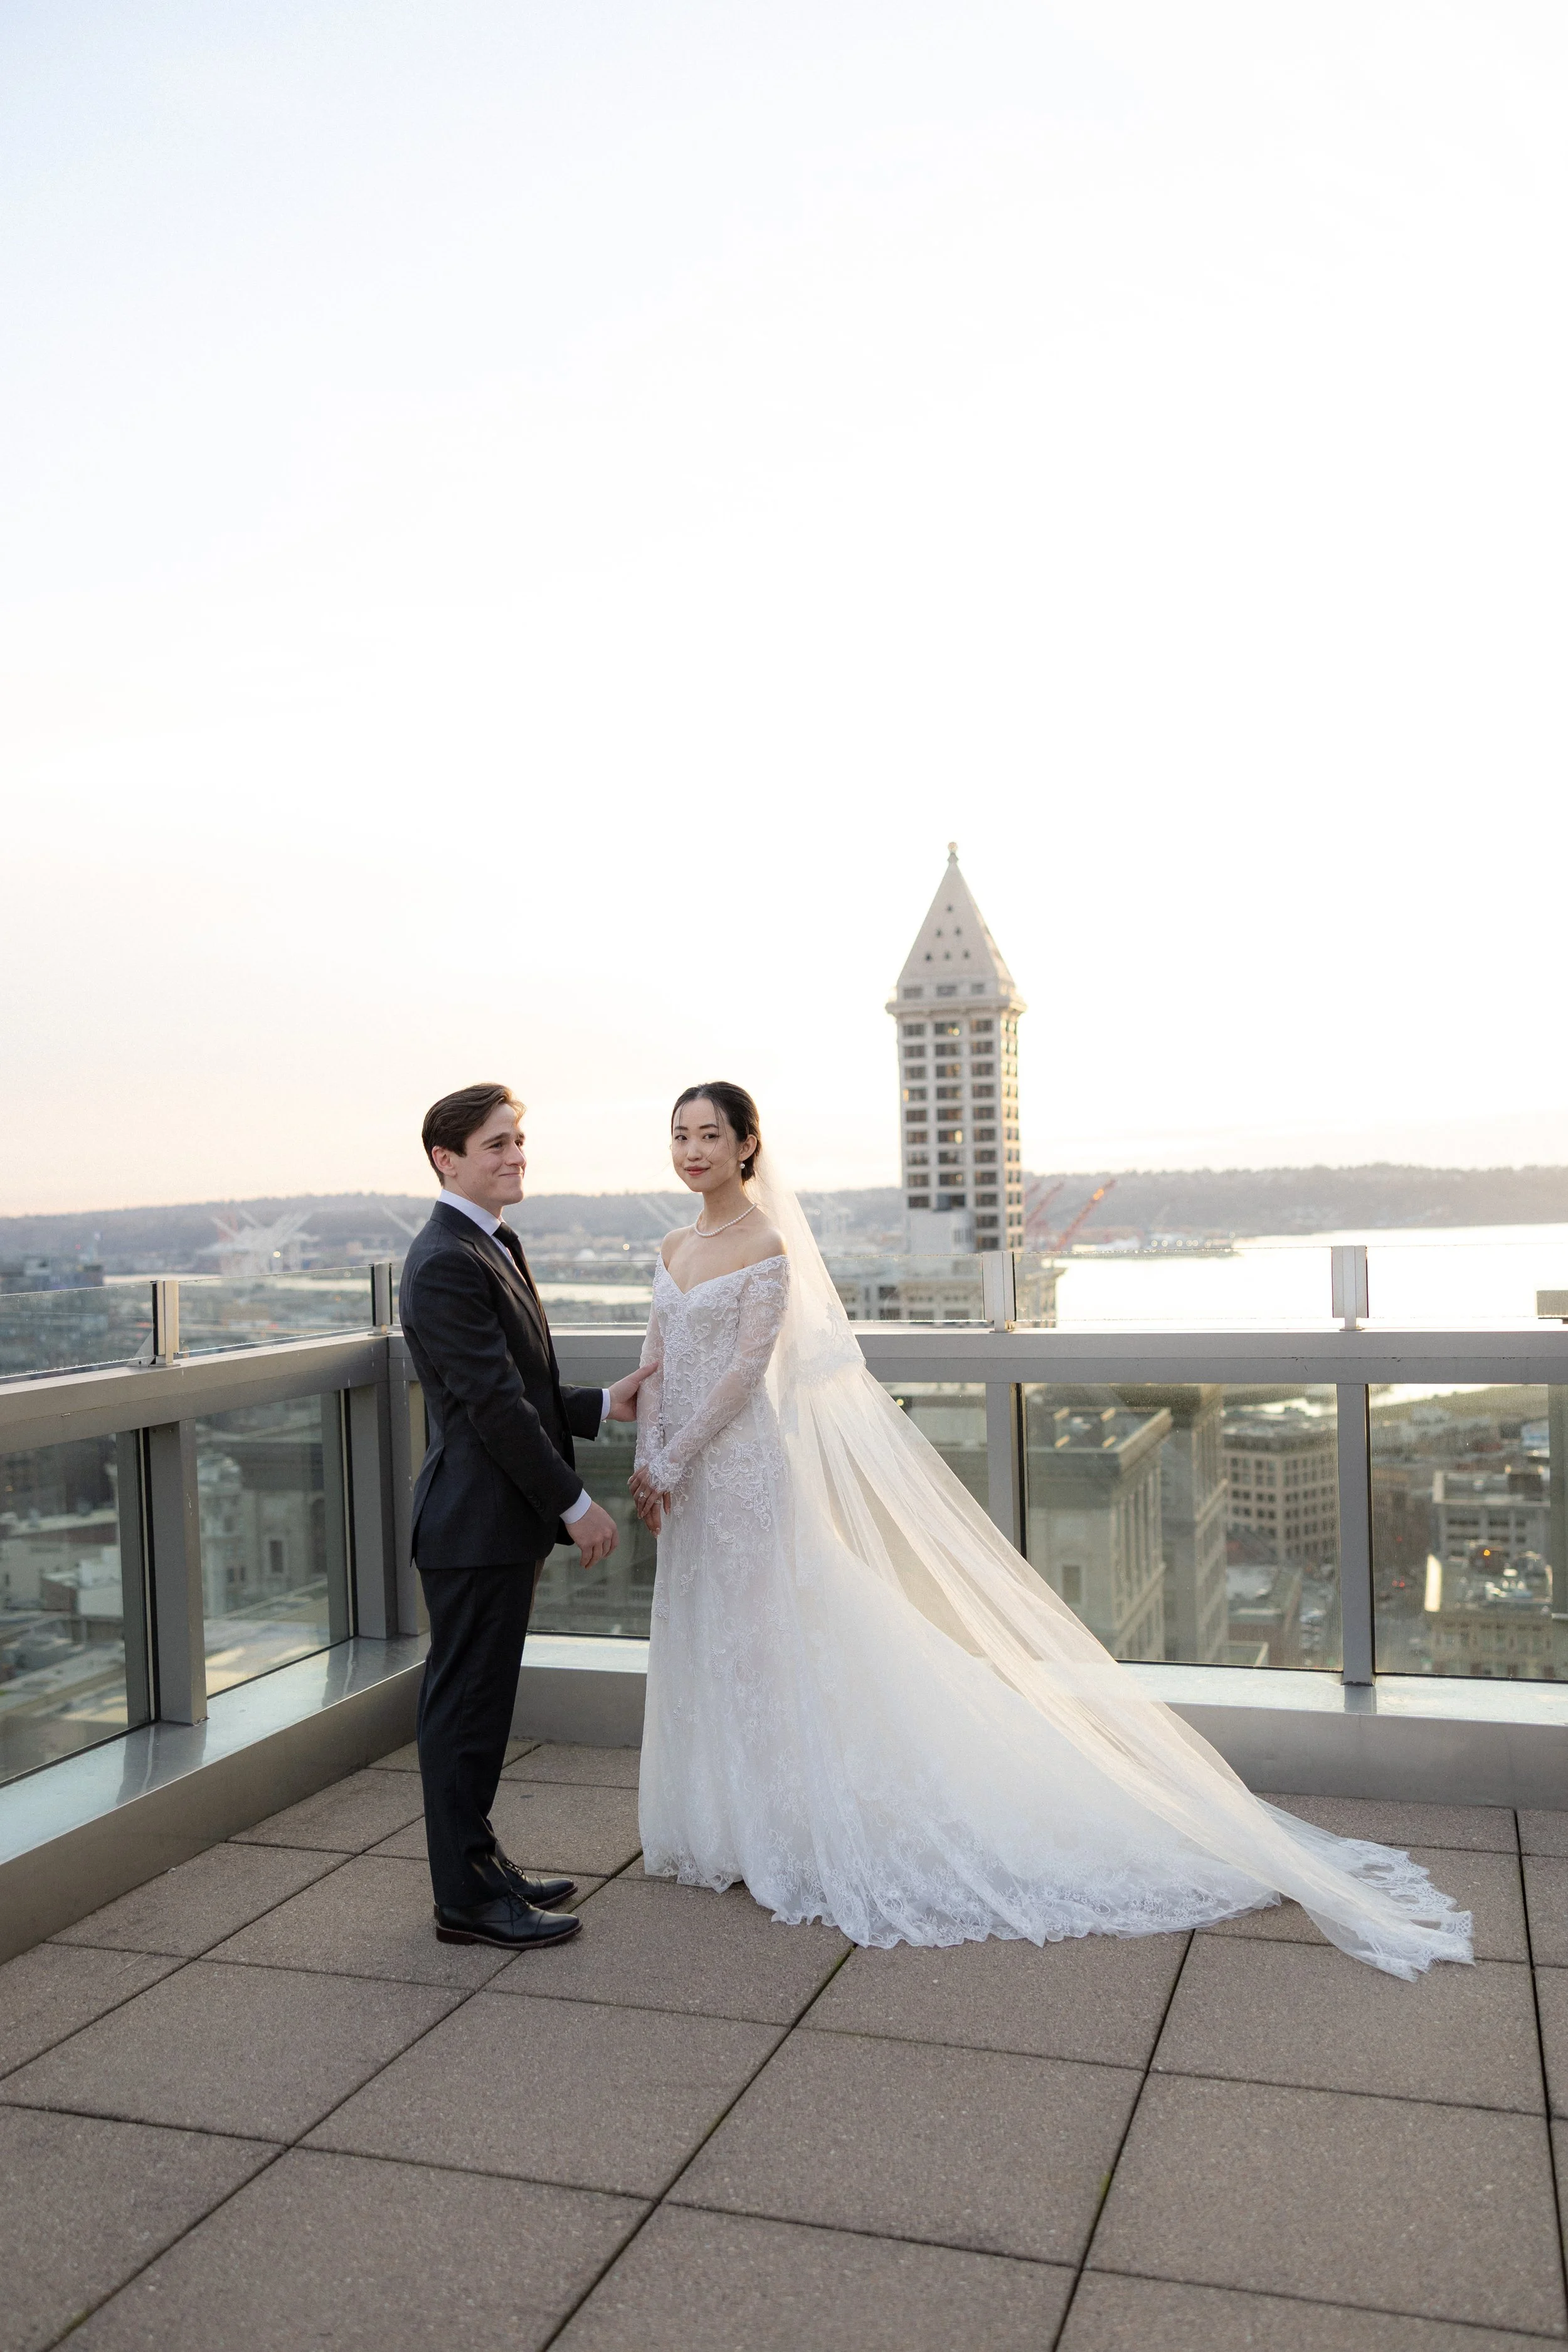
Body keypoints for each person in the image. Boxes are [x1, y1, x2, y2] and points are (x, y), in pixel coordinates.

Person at [628, 1082, 1474, 1979]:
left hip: (742, 1472)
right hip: (680, 1480)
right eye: (679, 1134)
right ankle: (720, 1824)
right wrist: (649, 1454)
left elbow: (742, 1373)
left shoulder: (766, 1244)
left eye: (709, 1134)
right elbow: (657, 1358)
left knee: (764, 1640)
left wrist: (673, 1456)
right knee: (707, 1636)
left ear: (747, 1144)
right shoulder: (675, 1244)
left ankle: (784, 1826)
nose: (691, 1150)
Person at [400, 1083, 654, 1951]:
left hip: (490, 1522)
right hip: (474, 1523)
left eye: (518, 1141)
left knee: (480, 1708)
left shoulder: (485, 1242)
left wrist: (595, 1405)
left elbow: (521, 1384)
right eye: (496, 1144)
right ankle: (466, 1901)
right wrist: (576, 1504)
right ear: (447, 1157)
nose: (515, 1155)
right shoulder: (445, 1259)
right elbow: (493, 1408)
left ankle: (477, 1863)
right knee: (465, 1714)